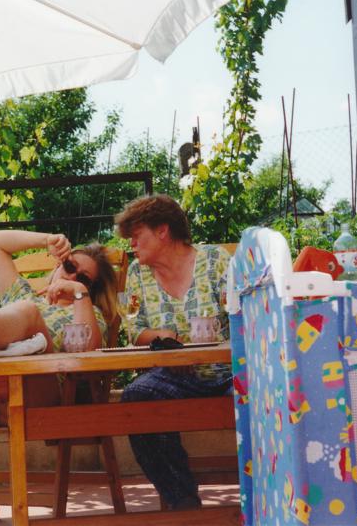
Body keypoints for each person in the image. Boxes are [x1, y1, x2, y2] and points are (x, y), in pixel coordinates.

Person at [0, 230, 118, 427]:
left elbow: (82, 356)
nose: (72, 277)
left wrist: (79, 293)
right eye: (70, 266)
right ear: (58, 265)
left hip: (35, 402)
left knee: (29, 312)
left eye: (83, 279)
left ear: (91, 290)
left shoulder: (86, 312)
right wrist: (46, 240)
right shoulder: (24, 295)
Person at [114, 193, 231, 511]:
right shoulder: (137, 273)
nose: (131, 245)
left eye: (136, 236)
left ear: (162, 230)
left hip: (229, 372)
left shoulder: (215, 260)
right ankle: (183, 503)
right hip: (173, 376)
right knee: (136, 398)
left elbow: (245, 316)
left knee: (262, 392)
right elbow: (134, 330)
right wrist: (164, 338)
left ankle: (266, 493)